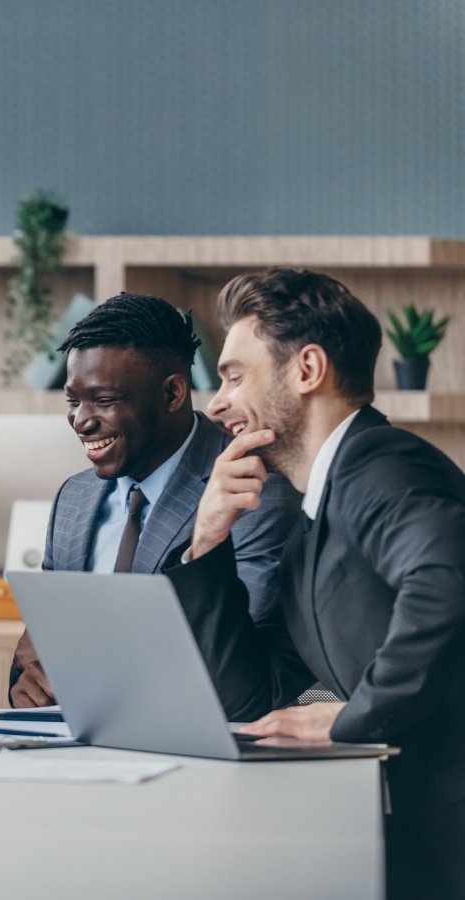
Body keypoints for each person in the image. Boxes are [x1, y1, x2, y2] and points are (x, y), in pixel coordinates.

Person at [165, 267, 465, 896]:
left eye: (234, 375)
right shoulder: (312, 520)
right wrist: (207, 543)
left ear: (307, 370)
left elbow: (446, 582)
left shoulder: (381, 464)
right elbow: (254, 699)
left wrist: (352, 717)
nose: (216, 403)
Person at [9, 293, 300, 708]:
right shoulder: (74, 498)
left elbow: (241, 669)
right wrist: (26, 686)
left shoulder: (252, 490)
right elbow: (36, 651)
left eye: (103, 400)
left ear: (172, 393)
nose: (81, 420)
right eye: (73, 401)